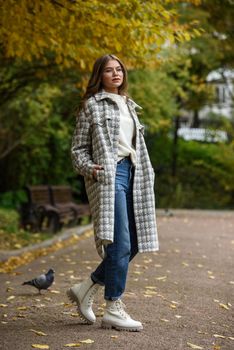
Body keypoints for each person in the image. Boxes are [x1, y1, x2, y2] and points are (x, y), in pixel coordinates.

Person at [67, 54, 159, 332]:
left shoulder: (130, 105)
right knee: (119, 244)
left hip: (135, 174)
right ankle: (114, 307)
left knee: (136, 243)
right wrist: (91, 169)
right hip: (110, 175)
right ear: (100, 76)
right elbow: (77, 150)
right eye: (109, 70)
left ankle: (87, 286)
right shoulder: (91, 107)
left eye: (119, 69)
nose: (116, 73)